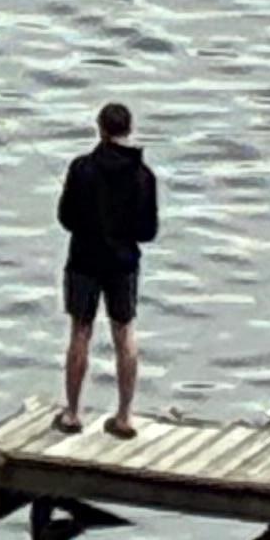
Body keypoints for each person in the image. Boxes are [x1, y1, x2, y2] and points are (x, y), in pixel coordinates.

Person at [56, 99, 158, 436]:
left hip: (84, 259)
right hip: (123, 263)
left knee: (80, 332)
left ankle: (72, 413)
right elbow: (148, 232)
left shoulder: (81, 168)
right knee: (124, 333)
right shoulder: (143, 175)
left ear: (100, 128)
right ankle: (125, 416)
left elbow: (66, 218)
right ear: (129, 130)